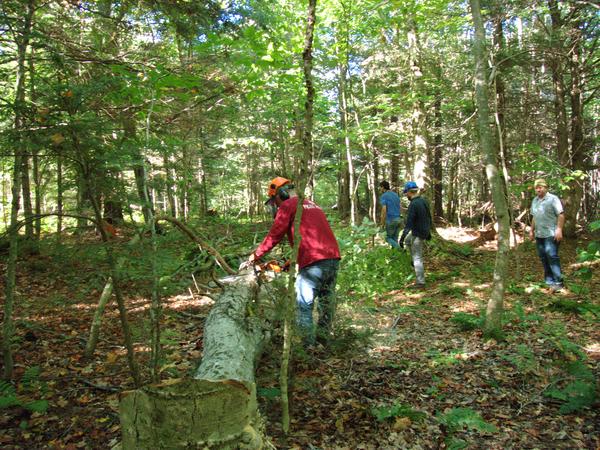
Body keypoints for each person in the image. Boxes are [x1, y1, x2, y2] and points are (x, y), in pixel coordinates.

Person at [246, 177, 341, 343]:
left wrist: (255, 255)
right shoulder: (310, 204)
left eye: (275, 200)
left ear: (281, 194)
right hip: (332, 257)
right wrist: (294, 260)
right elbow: (311, 235)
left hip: (313, 261)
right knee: (326, 303)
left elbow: (274, 235)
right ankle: (322, 342)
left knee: (304, 305)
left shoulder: (288, 206)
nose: (275, 204)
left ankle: (307, 348)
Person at [529, 178, 564, 291]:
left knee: (552, 256)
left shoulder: (553, 199)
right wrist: (531, 230)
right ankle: (549, 282)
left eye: (540, 187)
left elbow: (561, 215)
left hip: (551, 233)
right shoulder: (535, 200)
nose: (538, 189)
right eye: (536, 187)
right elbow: (534, 216)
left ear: (545, 187)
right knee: (543, 257)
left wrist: (559, 229)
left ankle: (558, 282)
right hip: (539, 234)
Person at [399, 181, 432, 288]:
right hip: (422, 230)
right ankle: (414, 262)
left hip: (418, 233)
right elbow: (428, 217)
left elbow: (409, 223)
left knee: (417, 257)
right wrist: (428, 231)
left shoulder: (414, 204)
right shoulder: (423, 201)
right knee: (408, 242)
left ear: (410, 192)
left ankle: (420, 282)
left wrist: (402, 238)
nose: (406, 196)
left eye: (406, 193)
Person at [379, 180, 402, 249]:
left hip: (390, 220)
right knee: (394, 239)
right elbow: (399, 207)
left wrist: (382, 223)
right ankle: (395, 256)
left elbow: (384, 210)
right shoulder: (395, 195)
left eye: (380, 187)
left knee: (387, 238)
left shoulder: (384, 196)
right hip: (398, 219)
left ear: (383, 187)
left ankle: (400, 249)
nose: (380, 189)